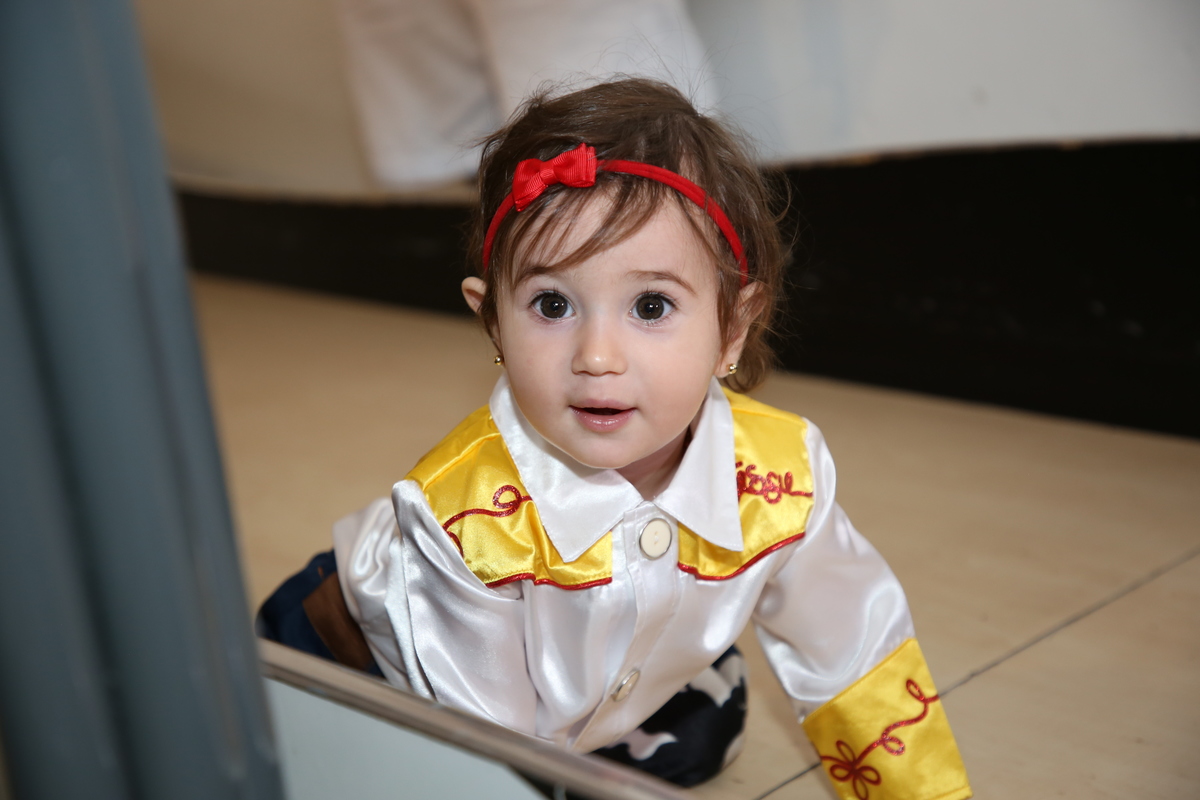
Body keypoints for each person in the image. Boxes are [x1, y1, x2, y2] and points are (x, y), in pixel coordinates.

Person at [257, 78, 972, 800]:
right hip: (370, 658)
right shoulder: (463, 524)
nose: (597, 356)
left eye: (651, 306)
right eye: (553, 304)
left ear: (732, 327)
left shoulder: (782, 477)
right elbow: (483, 749)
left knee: (703, 733)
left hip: (579, 680)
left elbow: (858, 658)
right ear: (492, 321)